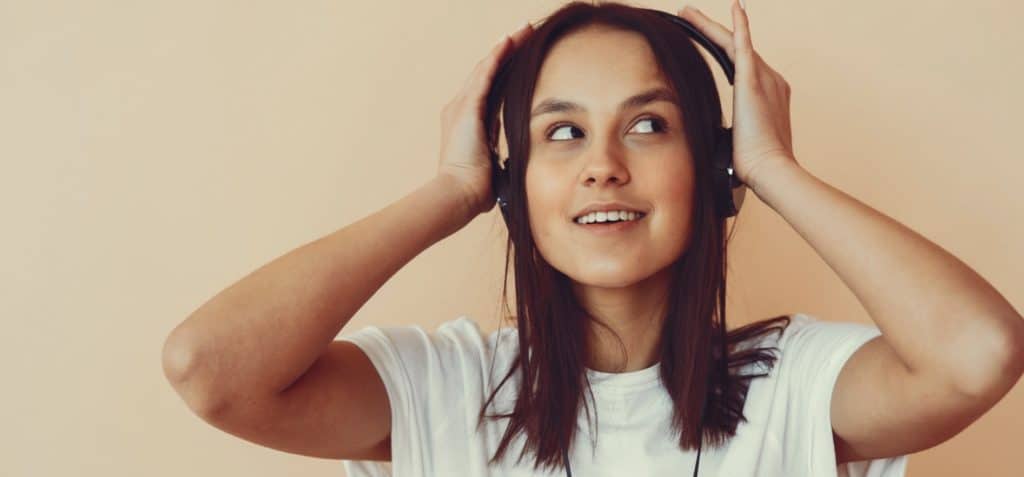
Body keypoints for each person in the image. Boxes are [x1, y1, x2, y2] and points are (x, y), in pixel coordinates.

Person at [161, 1, 1024, 476]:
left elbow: (978, 353)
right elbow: (210, 369)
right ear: (515, 181)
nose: (603, 165)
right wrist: (452, 190)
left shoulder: (797, 386)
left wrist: (772, 166)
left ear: (711, 165)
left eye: (647, 126)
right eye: (562, 133)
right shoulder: (441, 390)